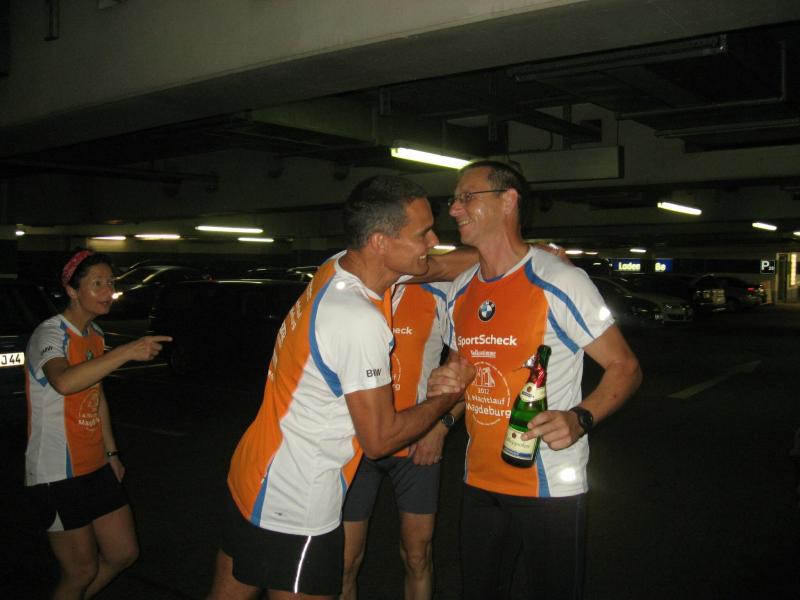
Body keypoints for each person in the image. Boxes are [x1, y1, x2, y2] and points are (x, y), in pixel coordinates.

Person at [208, 175, 475, 600]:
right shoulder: (357, 319)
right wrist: (449, 395)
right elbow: (379, 440)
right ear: (380, 242)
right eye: (422, 233)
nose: (434, 241)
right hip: (297, 499)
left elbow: (443, 266)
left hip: (255, 474)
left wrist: (526, 255)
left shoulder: (338, 267)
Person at [443, 161, 642, 600]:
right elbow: (460, 375)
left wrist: (581, 417)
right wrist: (444, 395)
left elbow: (625, 366)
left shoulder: (561, 280)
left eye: (467, 197)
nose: (454, 209)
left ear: (508, 200)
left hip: (550, 484)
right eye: (454, 199)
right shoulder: (460, 290)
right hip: (479, 480)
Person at [24, 249, 171, 600]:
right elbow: (64, 382)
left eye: (111, 283)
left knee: (123, 553)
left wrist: (112, 453)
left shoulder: (95, 334)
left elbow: (96, 394)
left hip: (96, 466)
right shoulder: (50, 334)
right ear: (72, 291)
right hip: (57, 472)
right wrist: (126, 352)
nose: (108, 291)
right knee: (81, 570)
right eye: (97, 284)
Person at [340, 280, 456, 600]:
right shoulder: (352, 291)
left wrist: (441, 426)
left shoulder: (439, 291)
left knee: (417, 556)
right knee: (345, 562)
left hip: (417, 445)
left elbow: (466, 367)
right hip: (357, 447)